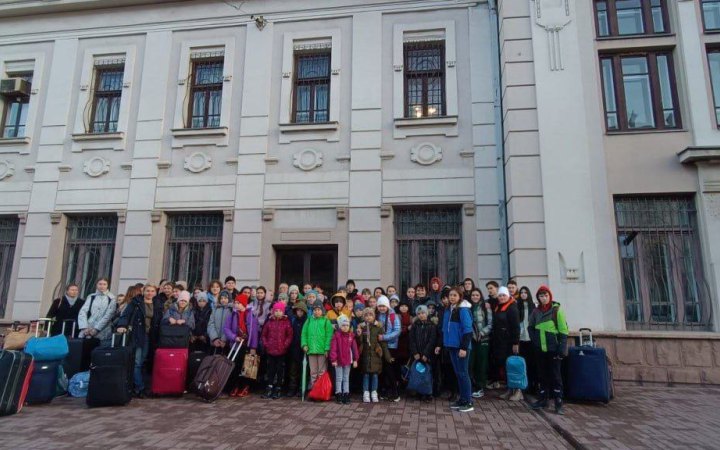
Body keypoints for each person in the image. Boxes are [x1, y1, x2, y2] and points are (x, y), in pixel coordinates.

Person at [116, 284, 163, 397]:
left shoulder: (157, 304)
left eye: (152, 291)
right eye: (147, 291)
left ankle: (139, 385)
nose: (150, 293)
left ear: (155, 292)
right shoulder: (136, 302)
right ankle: (139, 387)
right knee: (137, 362)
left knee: (143, 361)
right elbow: (125, 315)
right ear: (143, 291)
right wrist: (122, 325)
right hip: (137, 334)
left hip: (150, 336)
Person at [529, 285, 569, 415]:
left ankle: (558, 402)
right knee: (542, 375)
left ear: (549, 296)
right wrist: (535, 340)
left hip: (554, 349)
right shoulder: (535, 312)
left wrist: (561, 348)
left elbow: (563, 330)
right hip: (540, 349)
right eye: (541, 296)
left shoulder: (557, 310)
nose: (543, 298)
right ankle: (543, 399)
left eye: (545, 295)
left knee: (556, 376)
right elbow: (531, 327)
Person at [442, 287, 474, 413]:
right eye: (450, 295)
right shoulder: (449, 310)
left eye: (454, 295)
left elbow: (467, 330)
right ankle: (462, 399)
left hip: (461, 347)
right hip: (452, 346)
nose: (452, 297)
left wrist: (464, 347)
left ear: (460, 296)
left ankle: (468, 401)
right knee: (458, 373)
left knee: (463, 373)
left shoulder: (463, 310)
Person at [223, 293, 259, 397]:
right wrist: (234, 337)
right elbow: (226, 328)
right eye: (235, 302)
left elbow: (255, 332)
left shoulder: (251, 315)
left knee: (247, 367)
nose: (236, 304)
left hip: (247, 344)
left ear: (243, 304)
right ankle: (235, 386)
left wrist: (253, 347)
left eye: (238, 303)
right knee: (235, 366)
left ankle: (245, 386)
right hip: (236, 344)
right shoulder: (233, 314)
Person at [491, 286, 521, 401]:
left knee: (513, 366)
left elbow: (516, 327)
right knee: (505, 366)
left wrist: (515, 343)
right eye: (500, 295)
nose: (502, 297)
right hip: (500, 342)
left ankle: (518, 391)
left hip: (510, 343)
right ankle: (509, 389)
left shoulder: (512, 308)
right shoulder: (499, 307)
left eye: (504, 295)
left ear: (508, 296)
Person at [357, 308, 392, 403]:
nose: (368, 317)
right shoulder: (361, 327)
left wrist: (387, 356)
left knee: (375, 375)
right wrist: (359, 334)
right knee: (366, 375)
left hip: (376, 354)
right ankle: (366, 392)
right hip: (365, 355)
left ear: (374, 316)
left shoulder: (378, 327)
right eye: (366, 315)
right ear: (364, 317)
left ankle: (374, 392)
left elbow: (383, 343)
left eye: (370, 315)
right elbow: (359, 342)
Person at [260, 302, 293, 399]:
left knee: (280, 370)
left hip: (281, 351)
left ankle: (278, 387)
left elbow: (289, 336)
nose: (278, 312)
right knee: (270, 370)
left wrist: (285, 345)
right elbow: (264, 335)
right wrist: (267, 345)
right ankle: (269, 386)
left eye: (280, 311)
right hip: (271, 351)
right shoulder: (269, 322)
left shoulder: (286, 322)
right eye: (276, 311)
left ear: (283, 312)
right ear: (273, 312)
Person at [301, 300, 334, 389]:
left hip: (322, 350)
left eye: (319, 309)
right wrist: (304, 344)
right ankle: (314, 390)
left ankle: (321, 391)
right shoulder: (309, 320)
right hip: (311, 350)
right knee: (313, 372)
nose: (317, 311)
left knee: (322, 372)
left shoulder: (326, 321)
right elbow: (304, 333)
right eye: (315, 310)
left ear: (322, 310)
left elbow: (329, 335)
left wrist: (327, 348)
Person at [409, 305, 437, 402]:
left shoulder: (432, 325)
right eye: (419, 314)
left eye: (423, 313)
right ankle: (419, 392)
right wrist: (415, 352)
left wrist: (426, 354)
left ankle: (428, 393)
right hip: (417, 354)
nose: (421, 315)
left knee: (427, 375)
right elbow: (411, 340)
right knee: (418, 373)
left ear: (427, 313)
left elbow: (432, 340)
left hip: (427, 355)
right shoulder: (415, 325)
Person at [78, 278, 117, 346]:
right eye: (100, 284)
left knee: (98, 352)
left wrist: (96, 329)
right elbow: (83, 312)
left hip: (103, 331)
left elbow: (108, 316)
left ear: (107, 285)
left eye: (104, 284)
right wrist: (84, 327)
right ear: (96, 285)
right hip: (87, 329)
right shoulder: (91, 296)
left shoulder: (112, 298)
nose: (102, 286)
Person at [330, 315, 359, 404]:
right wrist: (333, 359)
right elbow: (333, 348)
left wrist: (355, 359)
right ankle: (338, 393)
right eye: (343, 325)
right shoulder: (336, 336)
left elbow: (354, 349)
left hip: (347, 360)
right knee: (339, 378)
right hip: (338, 361)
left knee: (346, 377)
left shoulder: (351, 336)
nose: (345, 327)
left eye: (347, 325)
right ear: (339, 326)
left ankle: (346, 393)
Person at [376, 295, 401, 402]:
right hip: (380, 346)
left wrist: (384, 337)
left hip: (391, 346)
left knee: (390, 369)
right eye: (380, 306)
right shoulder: (377, 315)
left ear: (387, 306)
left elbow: (397, 331)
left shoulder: (393, 316)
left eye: (383, 306)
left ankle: (395, 392)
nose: (382, 308)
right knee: (382, 370)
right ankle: (384, 391)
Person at [469, 287, 492, 399]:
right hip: (471, 339)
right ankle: (472, 386)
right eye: (473, 295)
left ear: (480, 296)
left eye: (477, 295)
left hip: (483, 340)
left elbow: (490, 323)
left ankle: (480, 388)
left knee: (481, 365)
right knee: (471, 363)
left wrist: (482, 333)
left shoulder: (485, 307)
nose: (475, 297)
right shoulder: (468, 307)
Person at [286, 301, 308, 397]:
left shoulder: (307, 321)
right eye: (298, 311)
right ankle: (292, 388)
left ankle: (301, 388)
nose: (299, 312)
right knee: (293, 370)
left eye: (301, 311)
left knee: (303, 370)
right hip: (293, 348)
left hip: (304, 348)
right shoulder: (293, 320)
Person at [518, 285, 537, 392]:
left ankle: (532, 385)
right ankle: (523, 385)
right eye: (521, 292)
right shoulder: (518, 306)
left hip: (531, 339)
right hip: (521, 339)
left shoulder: (533, 306)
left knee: (532, 363)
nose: (523, 294)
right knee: (522, 363)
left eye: (525, 292)